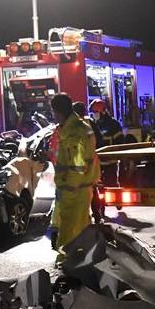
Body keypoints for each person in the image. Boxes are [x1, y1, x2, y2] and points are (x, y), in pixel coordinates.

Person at [52, 93, 97, 263]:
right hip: (78, 187)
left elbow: (78, 165)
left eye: (54, 112)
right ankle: (83, 260)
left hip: (74, 189)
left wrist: (67, 186)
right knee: (80, 226)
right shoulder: (73, 128)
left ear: (59, 111)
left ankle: (65, 261)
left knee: (68, 227)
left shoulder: (75, 133)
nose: (53, 116)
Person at [74, 102, 105, 223]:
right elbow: (100, 140)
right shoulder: (90, 123)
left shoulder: (70, 125)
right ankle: (97, 215)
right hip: (91, 163)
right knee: (92, 189)